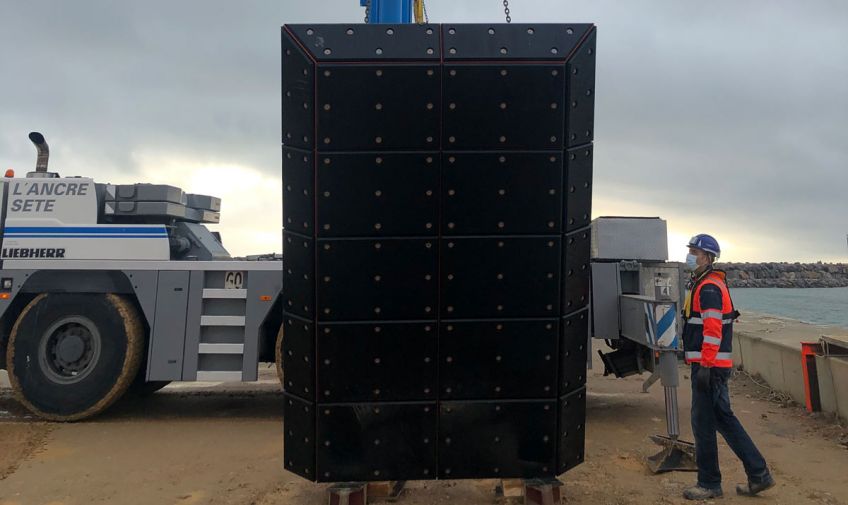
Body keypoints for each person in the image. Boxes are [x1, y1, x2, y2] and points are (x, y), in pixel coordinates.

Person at [681, 234, 775, 500]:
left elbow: (712, 330)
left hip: (709, 366)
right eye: (690, 250)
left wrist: (705, 365)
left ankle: (709, 483)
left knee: (703, 423)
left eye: (695, 252)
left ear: (708, 257)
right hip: (714, 365)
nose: (690, 256)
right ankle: (759, 474)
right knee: (723, 419)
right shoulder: (707, 283)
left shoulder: (709, 288)